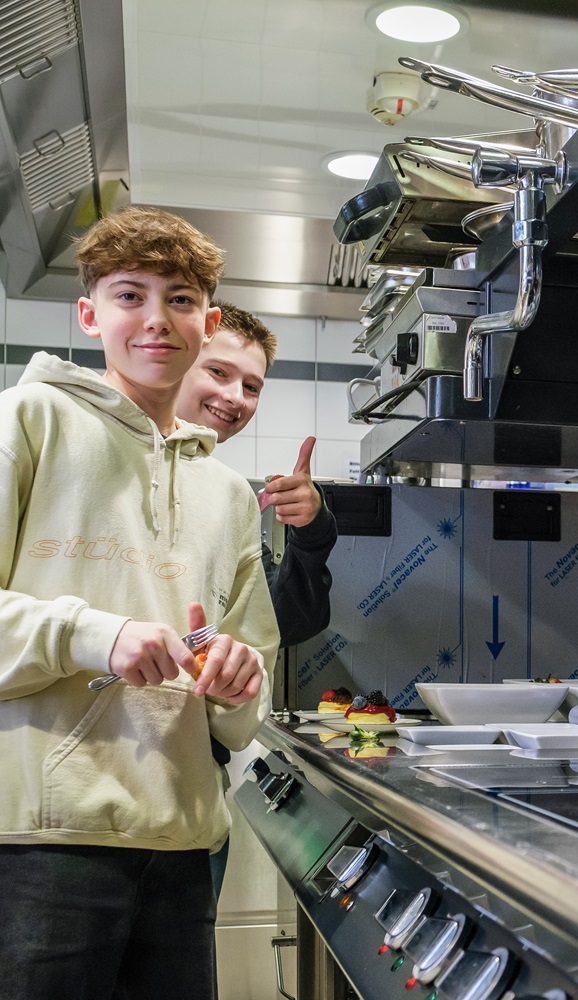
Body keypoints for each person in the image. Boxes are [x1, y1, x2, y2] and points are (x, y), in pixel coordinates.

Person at [0, 206, 277, 997]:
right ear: (90, 315)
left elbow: (250, 675)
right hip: (39, 841)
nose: (157, 319)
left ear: (207, 320)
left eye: (181, 299)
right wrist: (95, 635)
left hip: (183, 839)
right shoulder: (29, 421)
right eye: (131, 296)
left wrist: (237, 677)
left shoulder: (227, 494)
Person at [177, 300, 339, 903]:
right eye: (218, 372)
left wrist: (313, 530)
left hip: (191, 793)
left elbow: (285, 621)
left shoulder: (230, 499)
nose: (235, 397)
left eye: (251, 385)